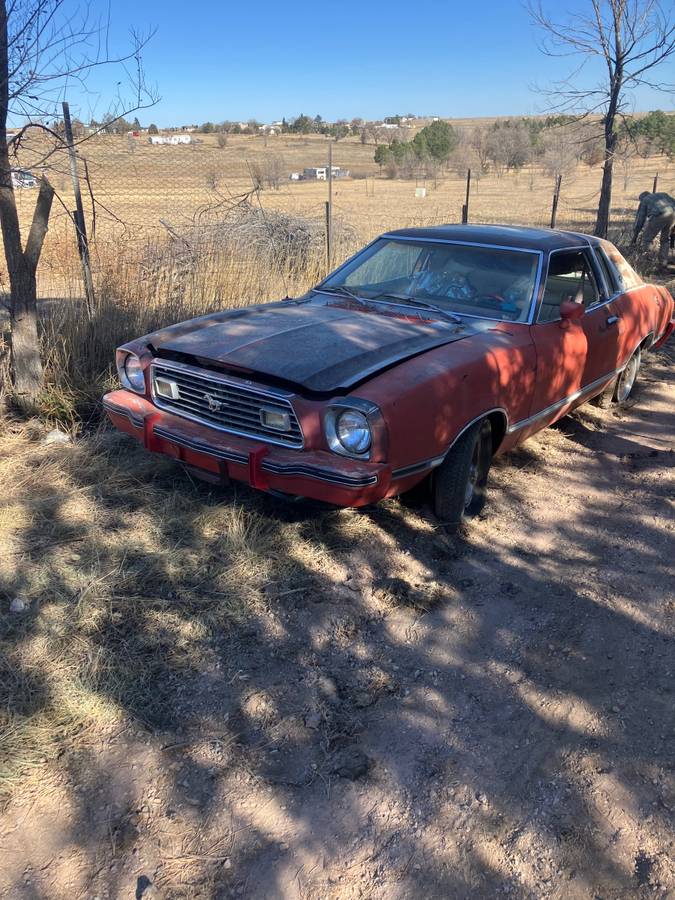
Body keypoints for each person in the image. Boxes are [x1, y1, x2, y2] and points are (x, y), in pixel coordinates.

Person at [632, 191, 675, 265]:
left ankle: (648, 262)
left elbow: (640, 219)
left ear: (641, 198)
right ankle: (663, 263)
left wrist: (635, 236)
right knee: (665, 240)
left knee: (647, 239)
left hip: (659, 215)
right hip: (672, 214)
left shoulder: (645, 200)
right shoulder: (663, 194)